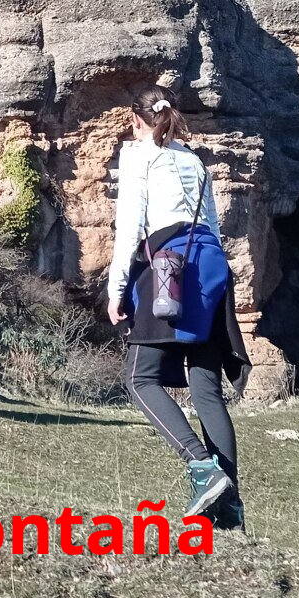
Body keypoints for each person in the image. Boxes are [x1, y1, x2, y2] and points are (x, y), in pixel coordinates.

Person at [106, 86, 250, 526]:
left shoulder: (137, 158)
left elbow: (130, 226)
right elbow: (210, 224)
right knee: (206, 389)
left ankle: (201, 468)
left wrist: (117, 289)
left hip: (168, 265)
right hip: (209, 268)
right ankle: (230, 509)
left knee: (139, 378)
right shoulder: (194, 160)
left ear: (136, 121)